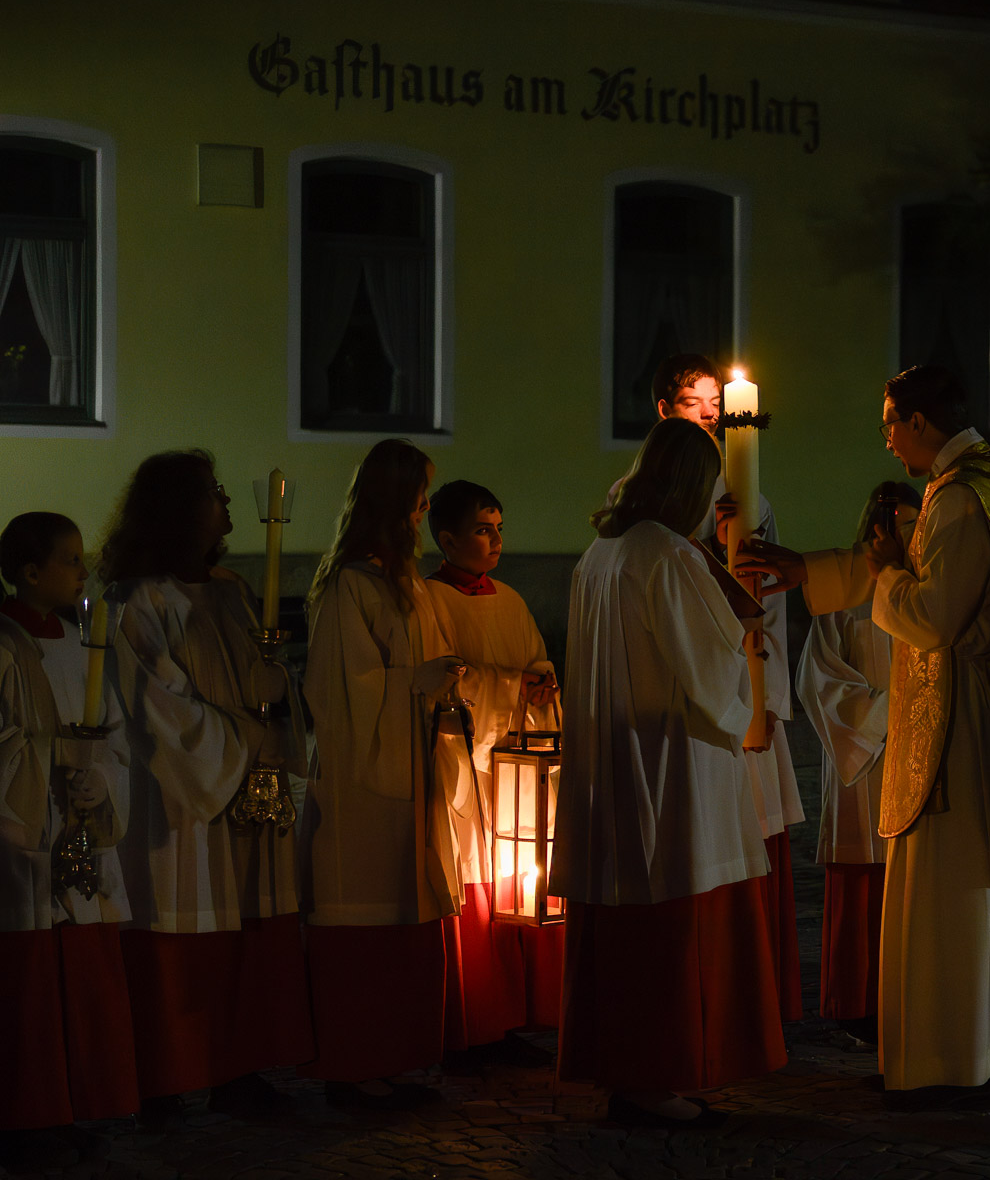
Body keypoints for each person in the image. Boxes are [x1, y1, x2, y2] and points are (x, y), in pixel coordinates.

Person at [736, 365, 990, 1110]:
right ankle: (955, 1052)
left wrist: (883, 575)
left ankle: (951, 1061)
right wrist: (811, 569)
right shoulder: (972, 486)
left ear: (920, 421)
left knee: (949, 895)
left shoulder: (965, 498)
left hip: (959, 728)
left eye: (889, 422)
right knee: (951, 896)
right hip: (967, 717)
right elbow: (904, 574)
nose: (884, 437)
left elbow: (930, 613)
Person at [550, 417, 784, 1127]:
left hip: (613, 759)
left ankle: (628, 1072)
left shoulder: (604, 549)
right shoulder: (667, 555)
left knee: (629, 919)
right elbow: (707, 669)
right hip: (669, 762)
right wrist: (746, 666)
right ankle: (655, 1076)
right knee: (668, 922)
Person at [101, 453, 313, 1121]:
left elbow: (263, 683)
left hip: (241, 791)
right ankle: (166, 1077)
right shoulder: (137, 600)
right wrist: (243, 740)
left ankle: (235, 1068)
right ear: (176, 510)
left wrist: (281, 697)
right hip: (179, 798)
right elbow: (155, 704)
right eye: (213, 494)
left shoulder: (229, 591)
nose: (226, 505)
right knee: (181, 930)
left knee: (247, 928)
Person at [623, 353, 806, 1022]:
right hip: (691, 711)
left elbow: (772, 608)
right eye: (695, 408)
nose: (709, 419)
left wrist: (766, 701)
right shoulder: (636, 505)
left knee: (753, 841)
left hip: (741, 694)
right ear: (665, 414)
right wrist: (707, 536)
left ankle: (758, 995)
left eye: (715, 409)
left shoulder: (752, 499)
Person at [303, 439, 470, 1108]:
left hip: (411, 768)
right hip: (365, 786)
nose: (426, 511)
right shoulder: (352, 583)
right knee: (367, 921)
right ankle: (354, 1065)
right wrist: (414, 684)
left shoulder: (404, 583)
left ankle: (395, 1057)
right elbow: (343, 689)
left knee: (408, 912)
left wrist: (441, 691)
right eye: (421, 498)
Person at [0, 513, 139, 1142]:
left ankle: (88, 1097)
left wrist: (101, 777)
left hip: (81, 821)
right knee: (31, 975)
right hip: (27, 837)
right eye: (71, 560)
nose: (85, 572)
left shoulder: (83, 644)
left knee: (85, 965)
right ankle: (34, 1112)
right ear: (30, 572)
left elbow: (110, 732)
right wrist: (55, 757)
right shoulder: (4, 647)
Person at [422, 480, 562, 1064]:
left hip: (514, 768)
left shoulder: (509, 599)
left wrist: (542, 682)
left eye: (500, 526)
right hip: (463, 767)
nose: (496, 540)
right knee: (473, 888)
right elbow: (441, 677)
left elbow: (536, 657)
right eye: (483, 529)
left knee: (517, 884)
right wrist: (511, 685)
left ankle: (515, 1016)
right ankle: (475, 1022)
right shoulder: (429, 601)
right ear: (448, 539)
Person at [794, 480, 918, 1052]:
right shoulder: (843, 599)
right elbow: (818, 679)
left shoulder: (929, 596)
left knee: (913, 881)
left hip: (920, 752)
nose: (904, 538)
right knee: (860, 879)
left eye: (916, 527)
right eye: (895, 526)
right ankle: (853, 1000)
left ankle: (908, 995)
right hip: (862, 766)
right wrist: (884, 714)